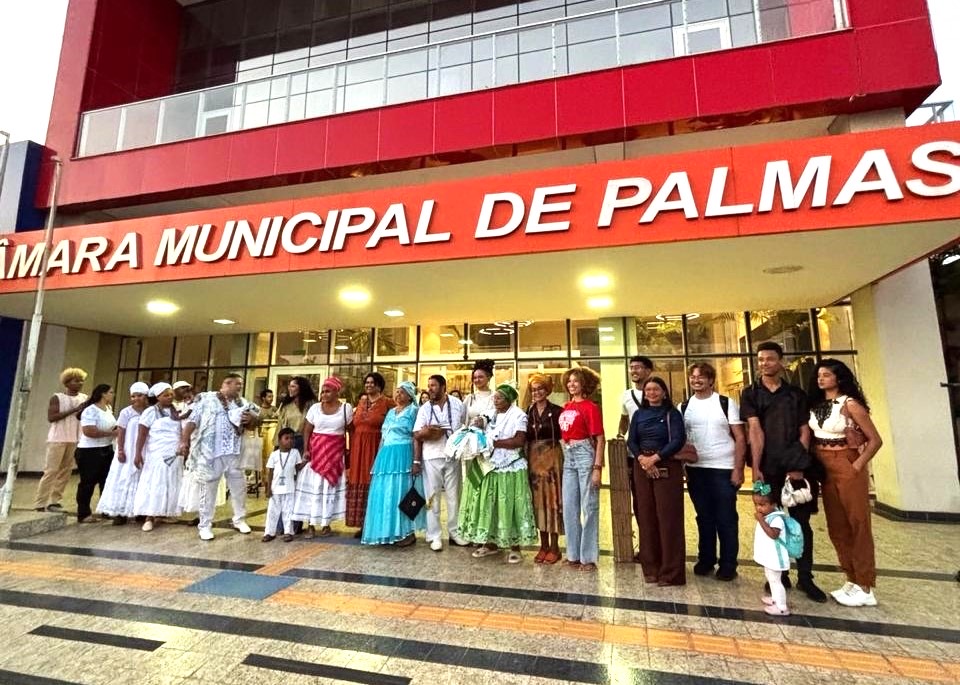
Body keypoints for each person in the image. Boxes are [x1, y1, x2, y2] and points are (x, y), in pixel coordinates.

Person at [740, 341, 827, 603]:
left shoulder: (796, 394)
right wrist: (756, 468)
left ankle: (806, 577)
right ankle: (779, 575)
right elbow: (754, 431)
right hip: (766, 469)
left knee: (801, 523)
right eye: (760, 359)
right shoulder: (750, 393)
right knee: (770, 518)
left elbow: (805, 431)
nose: (764, 363)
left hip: (798, 470)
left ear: (781, 361)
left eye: (769, 359)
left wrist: (796, 464)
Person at [807, 359, 883, 607]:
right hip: (824, 465)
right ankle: (851, 577)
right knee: (837, 525)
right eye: (819, 375)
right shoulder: (818, 404)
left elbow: (875, 440)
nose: (821, 379)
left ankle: (865, 584)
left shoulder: (850, 404)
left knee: (858, 522)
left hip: (846, 462)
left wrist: (857, 466)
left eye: (827, 375)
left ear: (838, 378)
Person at [681, 362, 747, 581]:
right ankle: (706, 559)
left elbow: (740, 437)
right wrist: (685, 468)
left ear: (710, 380)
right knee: (704, 517)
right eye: (692, 376)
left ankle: (728, 564)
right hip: (696, 470)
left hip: (723, 468)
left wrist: (738, 469)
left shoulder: (725, 403)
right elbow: (682, 441)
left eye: (701, 376)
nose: (696, 380)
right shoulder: (683, 406)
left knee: (726, 518)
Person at [459, 384, 538, 563]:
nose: (495, 400)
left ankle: (514, 545)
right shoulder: (491, 413)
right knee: (489, 504)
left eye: (499, 398)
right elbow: (481, 422)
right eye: (494, 397)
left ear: (509, 400)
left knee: (509, 505)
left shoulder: (519, 415)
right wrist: (477, 424)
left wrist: (494, 443)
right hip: (488, 465)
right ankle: (490, 543)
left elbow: (519, 440)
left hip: (510, 466)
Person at [180, 373, 260, 541]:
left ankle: (239, 519)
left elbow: (254, 424)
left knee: (239, 488)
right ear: (226, 383)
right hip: (211, 453)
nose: (240, 387)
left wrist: (251, 419)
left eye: (240, 385)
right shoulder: (207, 399)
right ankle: (205, 525)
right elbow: (192, 421)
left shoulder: (243, 403)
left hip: (234, 452)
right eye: (237, 384)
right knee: (208, 489)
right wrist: (184, 441)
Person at [627, 377, 687, 586]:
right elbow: (631, 440)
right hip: (642, 466)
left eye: (655, 389)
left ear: (664, 392)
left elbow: (678, 440)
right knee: (646, 516)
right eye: (648, 390)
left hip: (667, 466)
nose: (651, 393)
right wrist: (643, 459)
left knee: (668, 518)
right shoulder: (638, 414)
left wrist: (655, 458)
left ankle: (671, 572)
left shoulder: (672, 414)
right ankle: (650, 567)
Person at [362, 381, 426, 546]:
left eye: (402, 392)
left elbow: (416, 437)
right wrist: (379, 457)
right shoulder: (391, 412)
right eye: (397, 392)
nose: (398, 395)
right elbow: (384, 436)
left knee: (401, 492)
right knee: (385, 491)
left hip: (403, 454)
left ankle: (406, 532)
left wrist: (416, 460)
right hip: (386, 455)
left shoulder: (414, 411)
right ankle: (386, 531)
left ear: (410, 396)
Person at [413, 374, 468, 552]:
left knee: (454, 496)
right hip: (431, 456)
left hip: (453, 456)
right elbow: (416, 435)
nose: (430, 389)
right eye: (429, 386)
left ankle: (454, 532)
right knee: (433, 497)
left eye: (434, 386)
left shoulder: (458, 404)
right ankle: (434, 535)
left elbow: (464, 426)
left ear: (443, 386)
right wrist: (428, 432)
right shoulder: (424, 409)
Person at [293, 377, 353, 537]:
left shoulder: (346, 409)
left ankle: (326, 524)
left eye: (328, 391)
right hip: (316, 453)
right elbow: (307, 430)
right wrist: (306, 450)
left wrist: (350, 451)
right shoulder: (315, 408)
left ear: (336, 392)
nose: (324, 394)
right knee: (314, 488)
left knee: (329, 489)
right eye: (322, 391)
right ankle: (311, 525)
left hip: (335, 455)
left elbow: (350, 430)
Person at [558, 366, 604, 571]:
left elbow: (600, 439)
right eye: (569, 381)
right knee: (569, 507)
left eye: (576, 381)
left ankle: (589, 557)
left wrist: (597, 467)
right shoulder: (567, 406)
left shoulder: (590, 407)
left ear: (585, 384)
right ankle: (573, 554)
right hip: (568, 456)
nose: (571, 384)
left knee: (589, 507)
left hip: (585, 454)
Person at [346, 372, 395, 534]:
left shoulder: (388, 403)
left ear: (379, 385)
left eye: (372, 383)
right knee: (359, 480)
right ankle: (362, 524)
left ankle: (376, 523)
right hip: (358, 448)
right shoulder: (361, 402)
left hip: (377, 447)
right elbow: (351, 425)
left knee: (374, 482)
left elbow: (397, 422)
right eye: (366, 382)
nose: (368, 385)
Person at [34, 368, 88, 512]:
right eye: (76, 381)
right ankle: (40, 502)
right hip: (57, 438)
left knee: (66, 471)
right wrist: (74, 410)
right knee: (51, 470)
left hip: (75, 438)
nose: (80, 383)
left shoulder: (84, 398)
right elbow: (52, 417)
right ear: (67, 382)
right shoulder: (57, 397)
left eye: (81, 381)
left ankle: (55, 501)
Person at [133, 383, 185, 531]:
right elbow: (142, 435)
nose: (169, 397)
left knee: (171, 480)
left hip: (175, 451)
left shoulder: (178, 410)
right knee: (156, 481)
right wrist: (138, 453)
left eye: (171, 394)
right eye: (165, 395)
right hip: (157, 452)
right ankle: (149, 516)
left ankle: (165, 512)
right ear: (157, 397)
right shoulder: (150, 412)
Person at [97, 382, 150, 524]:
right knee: (123, 479)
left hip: (145, 450)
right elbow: (121, 432)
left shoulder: (151, 411)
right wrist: (120, 450)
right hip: (127, 450)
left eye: (139, 396)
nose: (136, 399)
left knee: (142, 481)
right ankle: (120, 513)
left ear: (145, 396)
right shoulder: (126, 412)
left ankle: (140, 512)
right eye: (133, 396)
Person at [617, 356, 654, 559]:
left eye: (638, 367)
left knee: (654, 502)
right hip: (633, 455)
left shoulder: (656, 393)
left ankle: (656, 546)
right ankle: (646, 547)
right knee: (639, 502)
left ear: (648, 370)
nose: (634, 371)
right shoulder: (626, 396)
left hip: (655, 455)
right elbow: (624, 421)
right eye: (631, 367)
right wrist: (620, 438)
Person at [525, 373, 564, 564]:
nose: (537, 392)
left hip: (552, 459)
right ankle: (543, 545)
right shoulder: (528, 411)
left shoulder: (557, 411)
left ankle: (555, 547)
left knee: (553, 501)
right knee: (537, 502)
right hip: (533, 459)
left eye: (540, 389)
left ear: (547, 390)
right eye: (534, 389)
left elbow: (566, 437)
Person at [75, 383, 118, 523]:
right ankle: (83, 513)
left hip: (106, 448)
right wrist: (111, 433)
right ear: (103, 394)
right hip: (90, 451)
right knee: (88, 482)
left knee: (106, 481)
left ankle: (106, 509)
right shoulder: (90, 410)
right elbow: (89, 431)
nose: (113, 395)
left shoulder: (108, 409)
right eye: (111, 392)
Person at [752, 481, 791, 616]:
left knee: (776, 580)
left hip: (776, 557)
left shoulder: (777, 519)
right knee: (770, 577)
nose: (758, 508)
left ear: (773, 504)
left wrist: (761, 521)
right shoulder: (768, 515)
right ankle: (775, 599)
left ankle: (781, 607)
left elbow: (773, 534)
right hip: (769, 556)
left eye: (762, 505)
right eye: (756, 504)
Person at [263, 427, 305, 542]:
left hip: (290, 488)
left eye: (292, 438)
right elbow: (270, 472)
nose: (290, 440)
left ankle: (288, 532)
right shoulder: (274, 455)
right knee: (272, 511)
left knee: (288, 511)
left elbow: (298, 467)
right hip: (275, 488)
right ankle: (269, 532)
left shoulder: (295, 453)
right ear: (279, 440)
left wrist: (305, 461)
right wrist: (268, 488)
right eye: (287, 438)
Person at [276, 377, 317, 453]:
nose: (289, 389)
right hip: (289, 441)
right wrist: (278, 444)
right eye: (289, 386)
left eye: (293, 386)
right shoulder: (286, 406)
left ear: (301, 388)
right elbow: (280, 426)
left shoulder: (311, 405)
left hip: (307, 441)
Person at [462, 359, 496, 428]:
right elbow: (462, 418)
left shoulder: (495, 397)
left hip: (490, 434)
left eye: (480, 377)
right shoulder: (470, 398)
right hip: (472, 435)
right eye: (475, 378)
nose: (477, 380)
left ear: (488, 377)